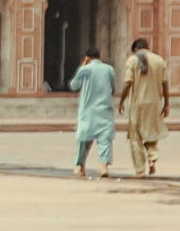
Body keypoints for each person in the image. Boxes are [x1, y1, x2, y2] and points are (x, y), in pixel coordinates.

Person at [118, 37, 170, 177]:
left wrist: (121, 100)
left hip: (137, 103)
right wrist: (166, 104)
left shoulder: (133, 60)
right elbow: (165, 84)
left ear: (135, 49)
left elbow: (128, 82)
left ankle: (140, 169)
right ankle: (152, 158)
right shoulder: (159, 60)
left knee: (136, 137)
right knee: (151, 132)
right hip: (154, 103)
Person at [70, 45, 117, 179]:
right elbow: (113, 88)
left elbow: (74, 85)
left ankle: (80, 166)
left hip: (88, 110)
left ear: (88, 58)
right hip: (104, 109)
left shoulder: (85, 69)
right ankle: (104, 167)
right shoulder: (109, 69)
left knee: (84, 140)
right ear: (100, 56)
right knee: (105, 140)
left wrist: (82, 66)